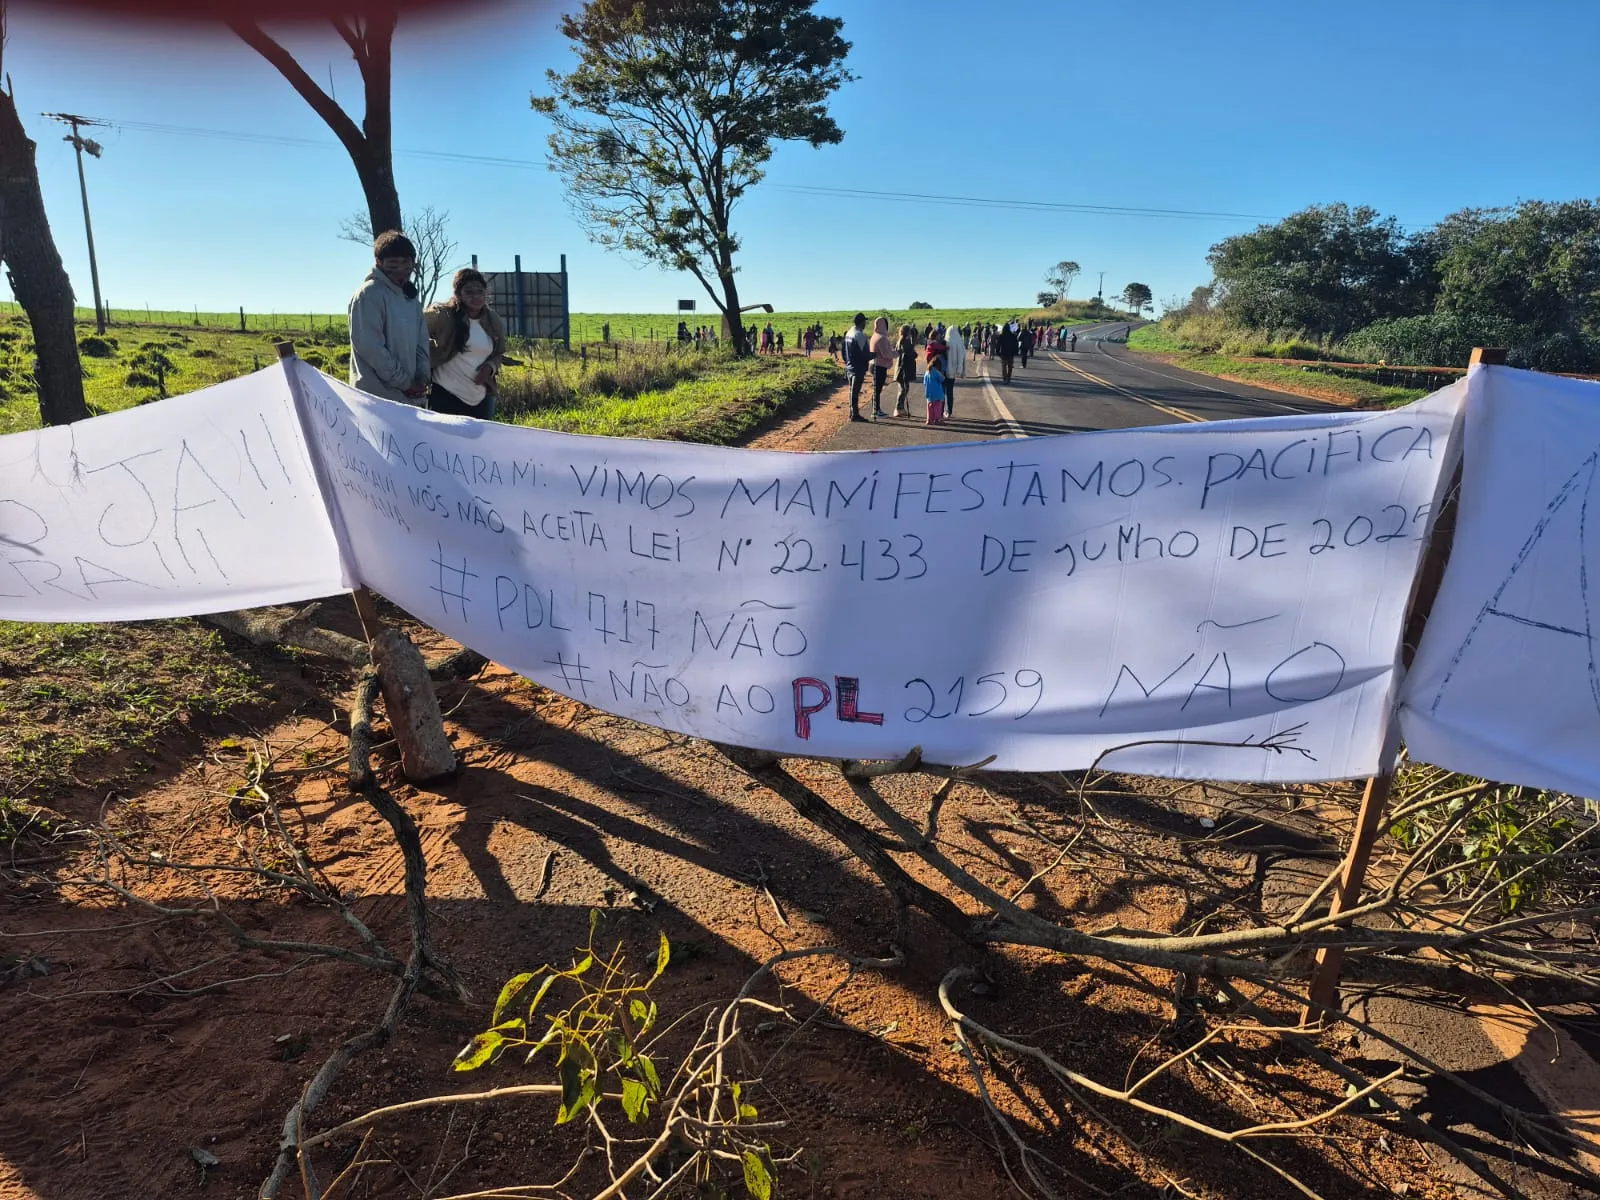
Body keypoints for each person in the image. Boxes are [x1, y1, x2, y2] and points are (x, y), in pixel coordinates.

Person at [348, 229, 430, 404]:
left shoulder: (410, 297)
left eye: (406, 266)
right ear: (379, 262)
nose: (401, 272)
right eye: (393, 266)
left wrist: (422, 376)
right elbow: (371, 348)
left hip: (410, 399)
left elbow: (421, 342)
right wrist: (405, 383)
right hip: (377, 401)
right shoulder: (369, 294)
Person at [425, 267, 507, 419]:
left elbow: (499, 353)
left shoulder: (493, 320)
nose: (476, 297)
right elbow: (414, 331)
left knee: (480, 442)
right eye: (469, 292)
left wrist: (490, 367)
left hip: (481, 397)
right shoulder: (443, 315)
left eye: (480, 291)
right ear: (458, 294)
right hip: (445, 394)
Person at [841, 312, 871, 422]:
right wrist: (875, 355)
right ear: (862, 322)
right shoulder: (860, 335)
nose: (865, 324)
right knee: (855, 391)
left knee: (851, 391)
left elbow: (843, 350)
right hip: (858, 367)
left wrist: (846, 362)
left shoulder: (849, 333)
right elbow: (866, 354)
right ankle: (855, 414)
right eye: (865, 322)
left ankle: (852, 412)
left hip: (849, 366)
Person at [868, 316, 894, 419]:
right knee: (877, 389)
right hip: (879, 366)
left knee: (876, 388)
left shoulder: (875, 336)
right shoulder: (881, 338)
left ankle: (876, 409)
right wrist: (896, 353)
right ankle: (876, 410)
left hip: (873, 364)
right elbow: (886, 354)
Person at [893, 324, 917, 417]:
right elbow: (912, 354)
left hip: (900, 368)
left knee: (902, 389)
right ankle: (899, 408)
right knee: (904, 389)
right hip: (904, 369)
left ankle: (900, 408)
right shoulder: (905, 342)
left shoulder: (900, 341)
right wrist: (912, 343)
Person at [923, 354, 947, 425]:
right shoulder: (936, 372)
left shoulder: (927, 372)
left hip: (929, 393)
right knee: (937, 407)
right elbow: (942, 379)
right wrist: (940, 373)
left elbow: (924, 382)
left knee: (930, 407)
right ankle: (937, 419)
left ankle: (929, 420)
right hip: (937, 393)